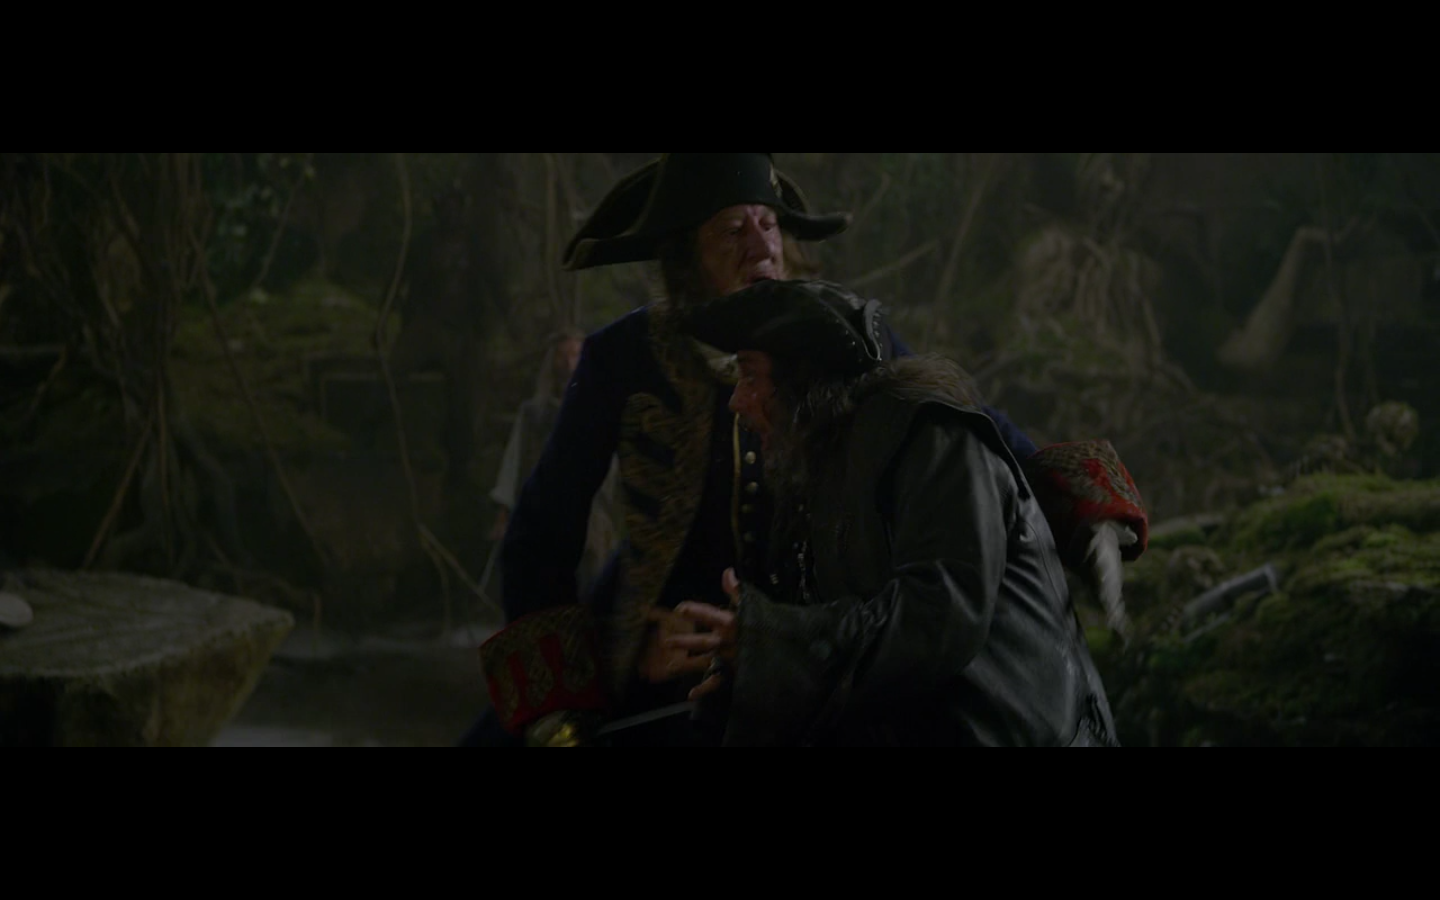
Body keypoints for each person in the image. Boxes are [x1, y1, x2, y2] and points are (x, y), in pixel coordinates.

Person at [466, 153, 1146, 748]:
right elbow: (542, 529)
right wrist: (568, 696)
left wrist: (1082, 511)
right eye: (732, 229)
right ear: (686, 257)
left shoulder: (836, 337)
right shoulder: (621, 356)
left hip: (818, 653)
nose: (760, 246)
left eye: (768, 224)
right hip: (657, 660)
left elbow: (962, 423)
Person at [668, 278, 1122, 745]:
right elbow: (843, 648)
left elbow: (940, 617)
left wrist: (772, 644)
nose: (736, 401)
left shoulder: (932, 439)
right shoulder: (817, 478)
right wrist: (749, 677)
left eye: (749, 376)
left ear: (800, 377)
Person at [487, 328, 622, 601]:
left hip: (590, 514)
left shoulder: (599, 408)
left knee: (590, 581)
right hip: (542, 512)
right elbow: (513, 464)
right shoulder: (533, 414)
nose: (569, 364)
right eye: (562, 356)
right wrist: (504, 515)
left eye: (575, 355)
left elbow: (612, 466)